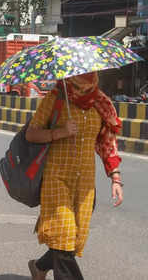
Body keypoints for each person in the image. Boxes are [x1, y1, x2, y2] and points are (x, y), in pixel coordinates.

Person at [25, 72, 124, 280]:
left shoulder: (100, 102)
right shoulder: (55, 98)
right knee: (65, 232)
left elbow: (107, 143)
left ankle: (40, 267)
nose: (87, 79)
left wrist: (115, 177)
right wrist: (59, 132)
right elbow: (31, 134)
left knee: (72, 238)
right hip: (57, 177)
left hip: (85, 182)